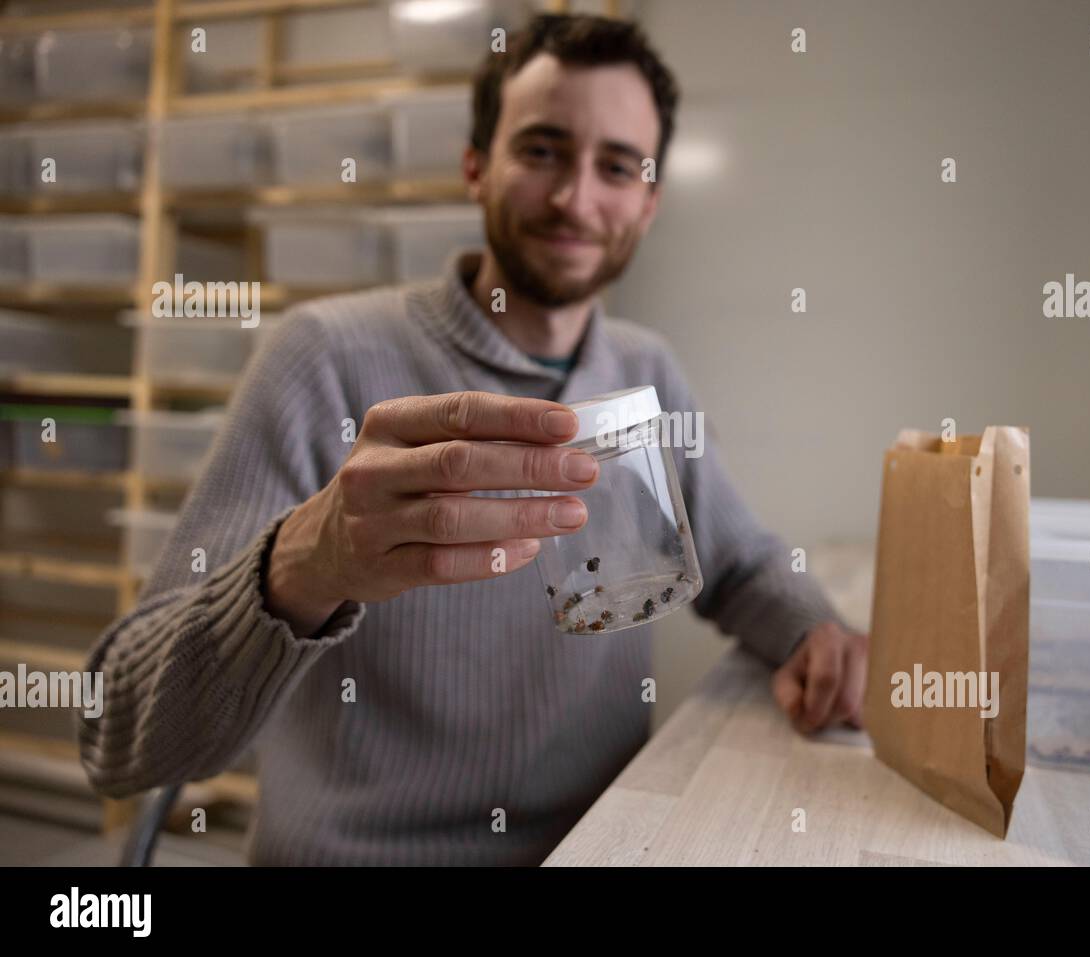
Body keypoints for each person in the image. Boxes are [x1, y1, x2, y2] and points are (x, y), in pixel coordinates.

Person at [79, 13, 869, 866]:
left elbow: (742, 563)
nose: (574, 197)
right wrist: (302, 566)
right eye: (540, 150)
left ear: (649, 201)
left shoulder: (646, 371)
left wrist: (814, 632)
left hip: (600, 849)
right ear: (474, 168)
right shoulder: (326, 357)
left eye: (616, 166)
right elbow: (118, 736)